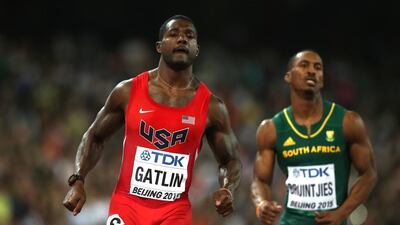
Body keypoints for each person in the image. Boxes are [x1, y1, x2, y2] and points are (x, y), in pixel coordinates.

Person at [62, 15, 242, 225]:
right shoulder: (128, 92)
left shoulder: (212, 107)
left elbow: (230, 160)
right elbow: (94, 136)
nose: (182, 39)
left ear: (197, 49)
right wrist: (78, 179)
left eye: (189, 36)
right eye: (174, 34)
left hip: (174, 213)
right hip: (127, 206)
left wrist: (227, 189)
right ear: (159, 46)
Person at [251, 50, 377, 225]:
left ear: (322, 79)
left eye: (318, 68)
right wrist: (261, 204)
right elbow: (260, 180)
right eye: (304, 65)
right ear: (288, 77)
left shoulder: (348, 122)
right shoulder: (271, 128)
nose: (311, 71)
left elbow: (368, 174)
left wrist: (341, 213)